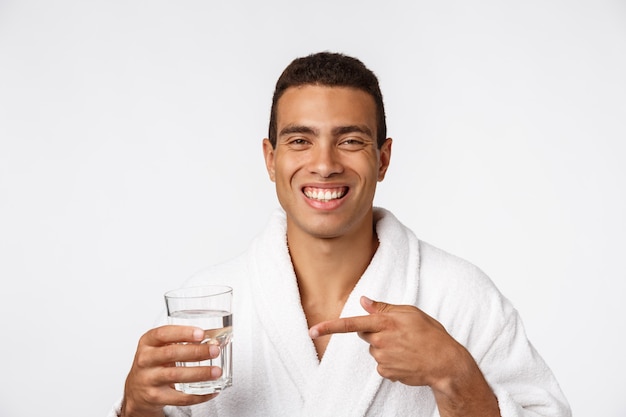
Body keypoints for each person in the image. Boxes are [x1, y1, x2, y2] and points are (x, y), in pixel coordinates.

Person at [111, 52, 571, 417]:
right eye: (299, 141)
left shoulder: (461, 296)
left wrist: (458, 378)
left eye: (350, 140)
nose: (326, 163)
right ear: (270, 159)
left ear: (383, 159)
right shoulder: (209, 307)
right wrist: (137, 410)